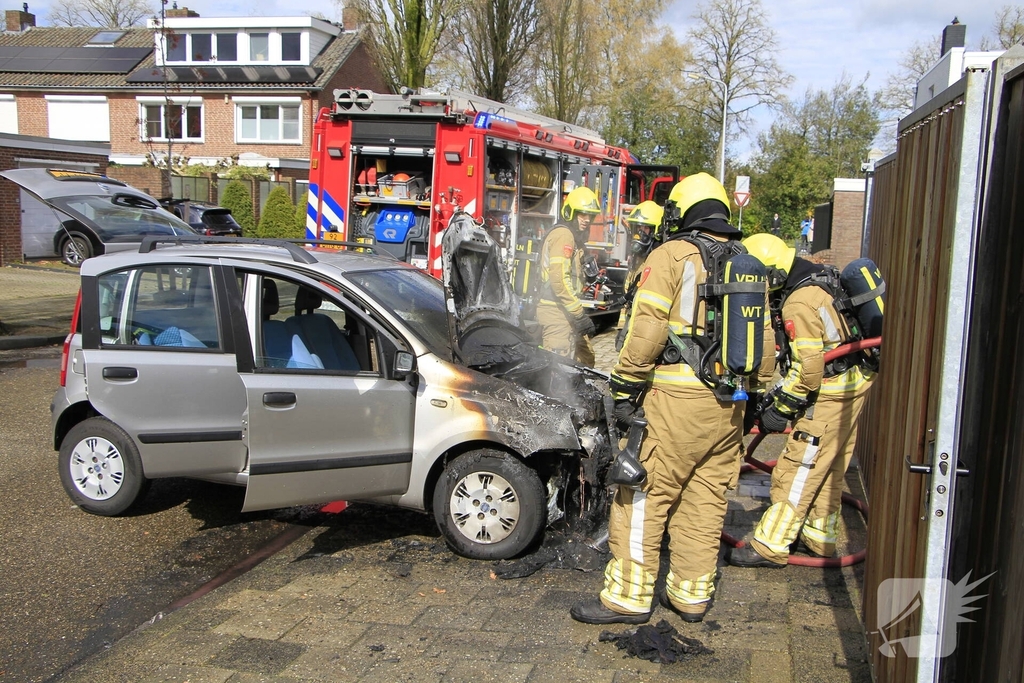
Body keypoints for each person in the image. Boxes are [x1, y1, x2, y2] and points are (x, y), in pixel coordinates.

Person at [570, 173, 775, 625]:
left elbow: (646, 329)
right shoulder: (747, 260)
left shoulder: (671, 255)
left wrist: (624, 387)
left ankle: (628, 598)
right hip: (730, 405)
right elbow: (764, 340)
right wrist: (757, 394)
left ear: (681, 214)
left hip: (676, 400)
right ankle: (690, 596)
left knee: (643, 492)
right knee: (705, 499)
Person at [727, 233, 877, 568]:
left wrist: (780, 410)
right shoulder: (818, 279)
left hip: (830, 390)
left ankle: (770, 545)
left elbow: (808, 370)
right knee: (830, 464)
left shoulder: (798, 302)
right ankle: (819, 536)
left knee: (800, 466)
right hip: (854, 381)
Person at [536, 186, 601, 366]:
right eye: (582, 214)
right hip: (556, 312)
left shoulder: (572, 236)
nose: (587, 220)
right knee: (559, 368)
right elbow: (558, 279)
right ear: (570, 212)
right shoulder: (564, 235)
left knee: (585, 360)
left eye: (590, 216)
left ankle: (578, 393)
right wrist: (579, 314)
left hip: (566, 311)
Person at [615, 200, 664, 351]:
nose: (639, 233)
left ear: (656, 231)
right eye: (637, 228)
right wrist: (621, 329)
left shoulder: (658, 260)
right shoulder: (637, 259)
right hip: (630, 328)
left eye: (645, 228)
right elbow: (628, 298)